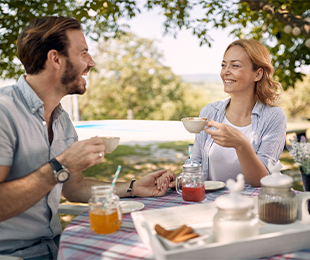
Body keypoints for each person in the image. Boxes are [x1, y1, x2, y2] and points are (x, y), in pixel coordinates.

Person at [0, 16, 175, 260]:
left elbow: (75, 188)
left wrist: (133, 187)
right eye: (83, 53)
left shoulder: (61, 120)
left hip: (55, 247)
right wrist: (59, 167)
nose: (91, 62)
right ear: (56, 59)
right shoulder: (3, 112)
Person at [187, 39, 286, 187]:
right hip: (207, 204)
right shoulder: (209, 112)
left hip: (250, 205)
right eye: (223, 65)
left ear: (258, 74)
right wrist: (180, 177)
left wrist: (242, 145)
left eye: (235, 65)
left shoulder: (274, 116)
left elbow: (262, 180)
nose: (225, 71)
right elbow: (196, 162)